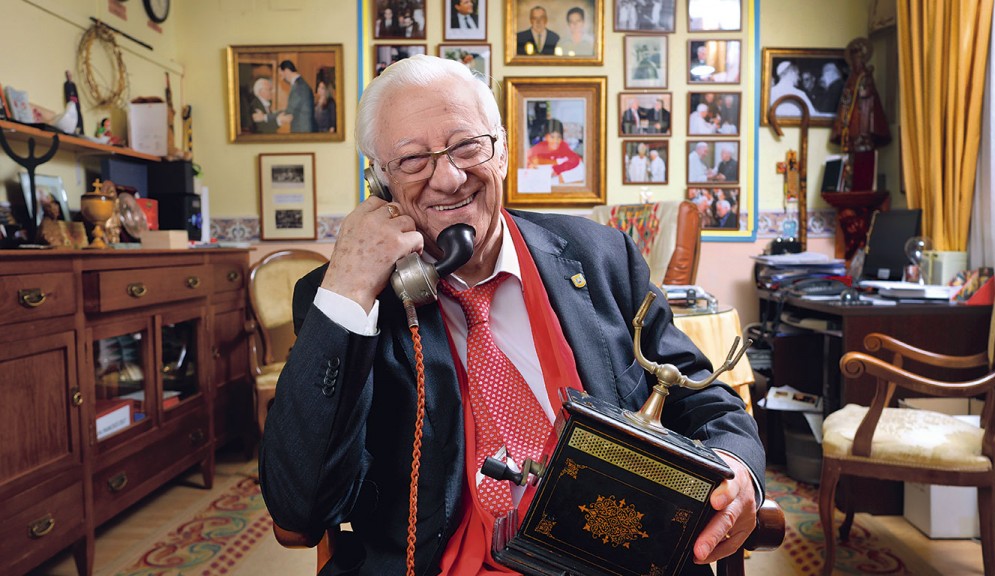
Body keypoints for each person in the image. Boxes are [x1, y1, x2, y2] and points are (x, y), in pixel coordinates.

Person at [260, 54, 763, 576]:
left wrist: (738, 468)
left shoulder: (602, 257)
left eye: (466, 146)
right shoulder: (350, 299)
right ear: (380, 183)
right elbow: (300, 507)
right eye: (413, 160)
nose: (450, 178)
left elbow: (708, 402)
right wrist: (349, 287)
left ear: (500, 151)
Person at [526, 120, 582, 184]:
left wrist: (558, 169)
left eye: (559, 137)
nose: (556, 141)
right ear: (546, 137)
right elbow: (526, 157)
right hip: (543, 173)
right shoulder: (540, 147)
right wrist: (529, 165)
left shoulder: (563, 146)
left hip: (557, 172)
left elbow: (575, 159)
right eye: (552, 137)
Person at [276, 60, 315, 133]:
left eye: (281, 75)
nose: (281, 78)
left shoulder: (299, 87)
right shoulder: (299, 84)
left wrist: (266, 117)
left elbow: (289, 112)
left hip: (302, 132)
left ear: (287, 71)